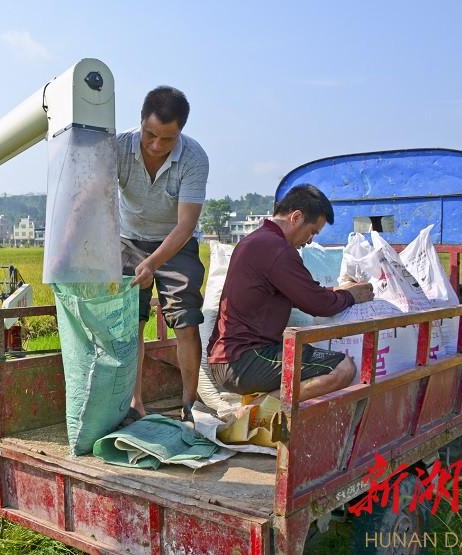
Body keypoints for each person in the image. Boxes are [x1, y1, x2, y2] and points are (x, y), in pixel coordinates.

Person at [206, 184, 374, 401]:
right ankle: (257, 409)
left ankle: (261, 402)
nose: (310, 240)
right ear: (296, 217)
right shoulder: (276, 249)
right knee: (342, 368)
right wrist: (352, 296)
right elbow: (318, 304)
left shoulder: (256, 240)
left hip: (230, 358)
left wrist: (338, 291)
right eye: (312, 232)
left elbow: (303, 292)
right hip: (246, 359)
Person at [118, 86, 209, 423]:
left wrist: (153, 263)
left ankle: (189, 405)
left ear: (180, 133)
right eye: (149, 134)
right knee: (131, 323)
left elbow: (185, 225)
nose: (155, 145)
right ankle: (133, 402)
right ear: (140, 122)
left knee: (185, 321)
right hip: (128, 239)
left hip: (176, 241)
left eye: (166, 140)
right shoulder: (118, 147)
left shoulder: (194, 158)